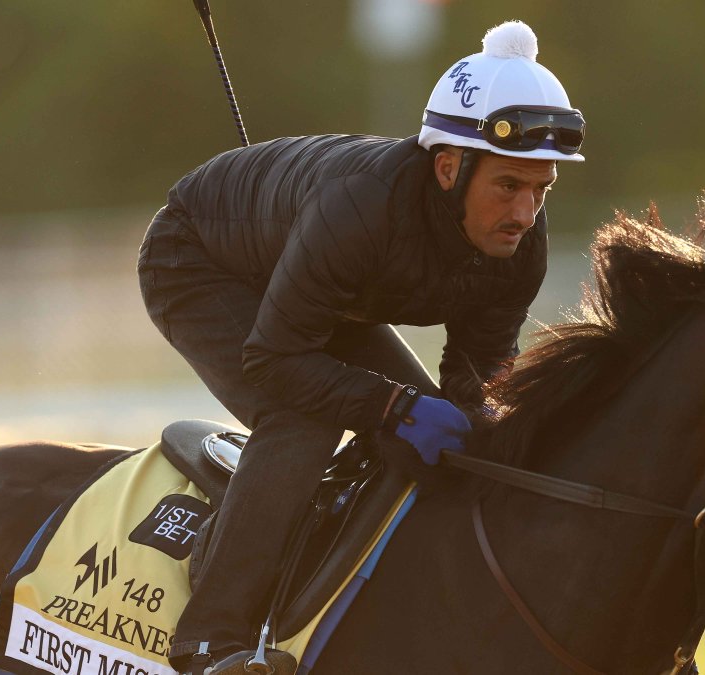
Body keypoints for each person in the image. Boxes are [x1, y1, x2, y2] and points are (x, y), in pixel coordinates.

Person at [137, 19, 586, 675]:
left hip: (327, 293)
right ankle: (209, 638)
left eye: (541, 189)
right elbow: (274, 361)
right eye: (508, 187)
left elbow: (475, 377)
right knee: (303, 415)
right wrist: (393, 406)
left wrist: (486, 420)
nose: (524, 213)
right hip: (201, 260)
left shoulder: (521, 246)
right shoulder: (363, 208)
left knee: (446, 438)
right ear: (447, 168)